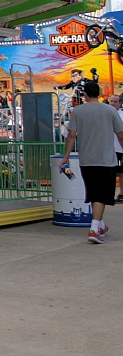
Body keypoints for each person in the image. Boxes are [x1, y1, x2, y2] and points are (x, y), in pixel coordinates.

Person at [60, 80, 123, 243]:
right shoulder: (110, 110)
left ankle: (100, 224)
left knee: (93, 192)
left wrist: (65, 156)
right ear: (99, 92)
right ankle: (94, 229)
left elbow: (71, 135)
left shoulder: (78, 111)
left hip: (86, 159)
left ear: (85, 94)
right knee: (101, 195)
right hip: (106, 158)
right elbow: (120, 134)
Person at [107, 95, 123, 203]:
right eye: (111, 101)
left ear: (120, 103)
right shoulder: (106, 114)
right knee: (110, 172)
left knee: (122, 172)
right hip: (110, 148)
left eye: (115, 101)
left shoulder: (121, 115)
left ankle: (121, 193)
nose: (113, 103)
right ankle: (109, 194)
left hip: (120, 148)